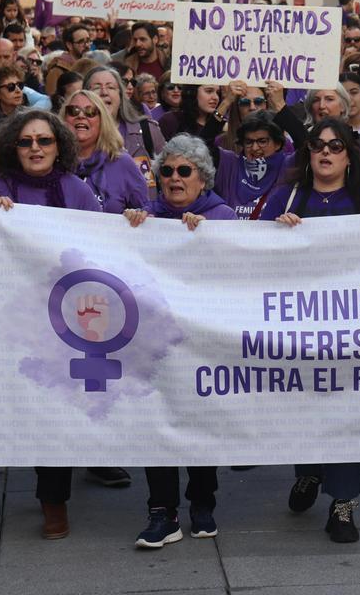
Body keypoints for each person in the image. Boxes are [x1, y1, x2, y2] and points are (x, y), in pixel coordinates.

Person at [0, 112, 124, 536]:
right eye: (26, 142)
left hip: (72, 320)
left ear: (59, 146)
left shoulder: (77, 190)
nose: (36, 148)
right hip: (22, 319)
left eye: (44, 140)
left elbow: (102, 246)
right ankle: (51, 494)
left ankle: (53, 499)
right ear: (13, 148)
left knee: (60, 409)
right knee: (36, 407)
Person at [260, 118, 360, 543]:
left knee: (348, 411)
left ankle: (343, 505)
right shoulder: (285, 197)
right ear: (308, 153)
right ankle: (308, 471)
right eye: (318, 145)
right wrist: (275, 234)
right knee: (304, 404)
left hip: (353, 329)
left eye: (336, 145)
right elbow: (249, 256)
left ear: (350, 155)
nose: (326, 152)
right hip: (299, 328)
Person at [122, 135, 231, 546]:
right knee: (156, 423)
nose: (173, 178)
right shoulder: (145, 217)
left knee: (199, 422)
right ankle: (161, 512)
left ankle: (203, 503)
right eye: (166, 170)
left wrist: (210, 238)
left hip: (203, 343)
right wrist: (131, 228)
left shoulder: (220, 217)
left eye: (184, 171)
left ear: (202, 179)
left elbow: (240, 271)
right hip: (154, 344)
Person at [63, 89, 150, 215]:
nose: (81, 116)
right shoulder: (53, 163)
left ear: (102, 121)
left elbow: (146, 210)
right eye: (73, 111)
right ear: (64, 119)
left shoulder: (123, 163)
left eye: (90, 112)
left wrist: (137, 215)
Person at [83, 66, 164, 195]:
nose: (104, 92)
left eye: (111, 87)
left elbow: (168, 177)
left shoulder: (148, 129)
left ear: (121, 96)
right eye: (97, 87)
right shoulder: (76, 136)